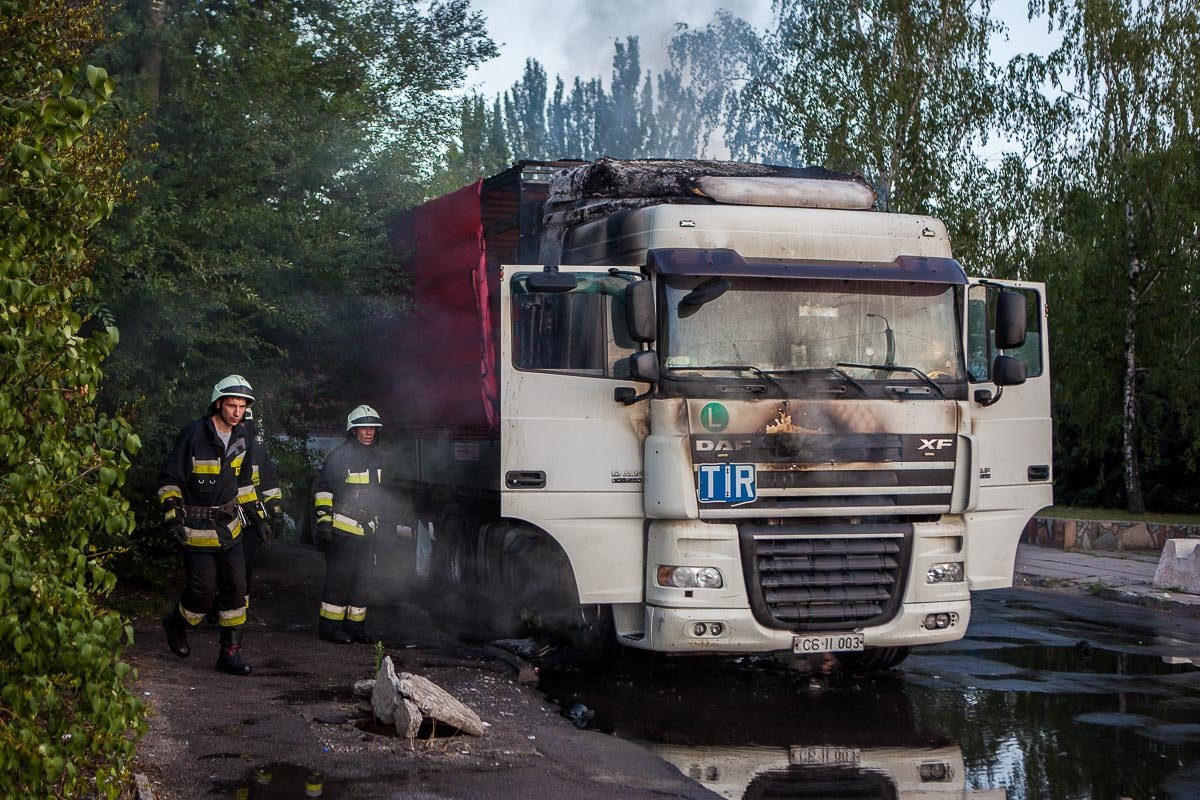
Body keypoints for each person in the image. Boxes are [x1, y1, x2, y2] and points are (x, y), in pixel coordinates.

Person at [158, 375, 268, 675]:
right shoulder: (194, 434)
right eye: (232, 405)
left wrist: (257, 517)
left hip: (230, 530)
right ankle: (176, 624)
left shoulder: (242, 438)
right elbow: (169, 480)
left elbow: (243, 483)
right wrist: (173, 517)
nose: (237, 412)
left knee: (236, 590)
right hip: (196, 531)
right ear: (218, 403)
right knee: (202, 593)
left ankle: (230, 653)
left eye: (242, 406)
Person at [313, 404, 385, 645]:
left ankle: (356, 627)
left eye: (372, 428)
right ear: (353, 430)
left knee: (363, 581)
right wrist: (323, 523)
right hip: (342, 530)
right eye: (363, 428)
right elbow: (324, 490)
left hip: (367, 532)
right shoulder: (339, 457)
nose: (369, 432)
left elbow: (378, 493)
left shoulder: (377, 457)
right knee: (339, 581)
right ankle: (330, 628)